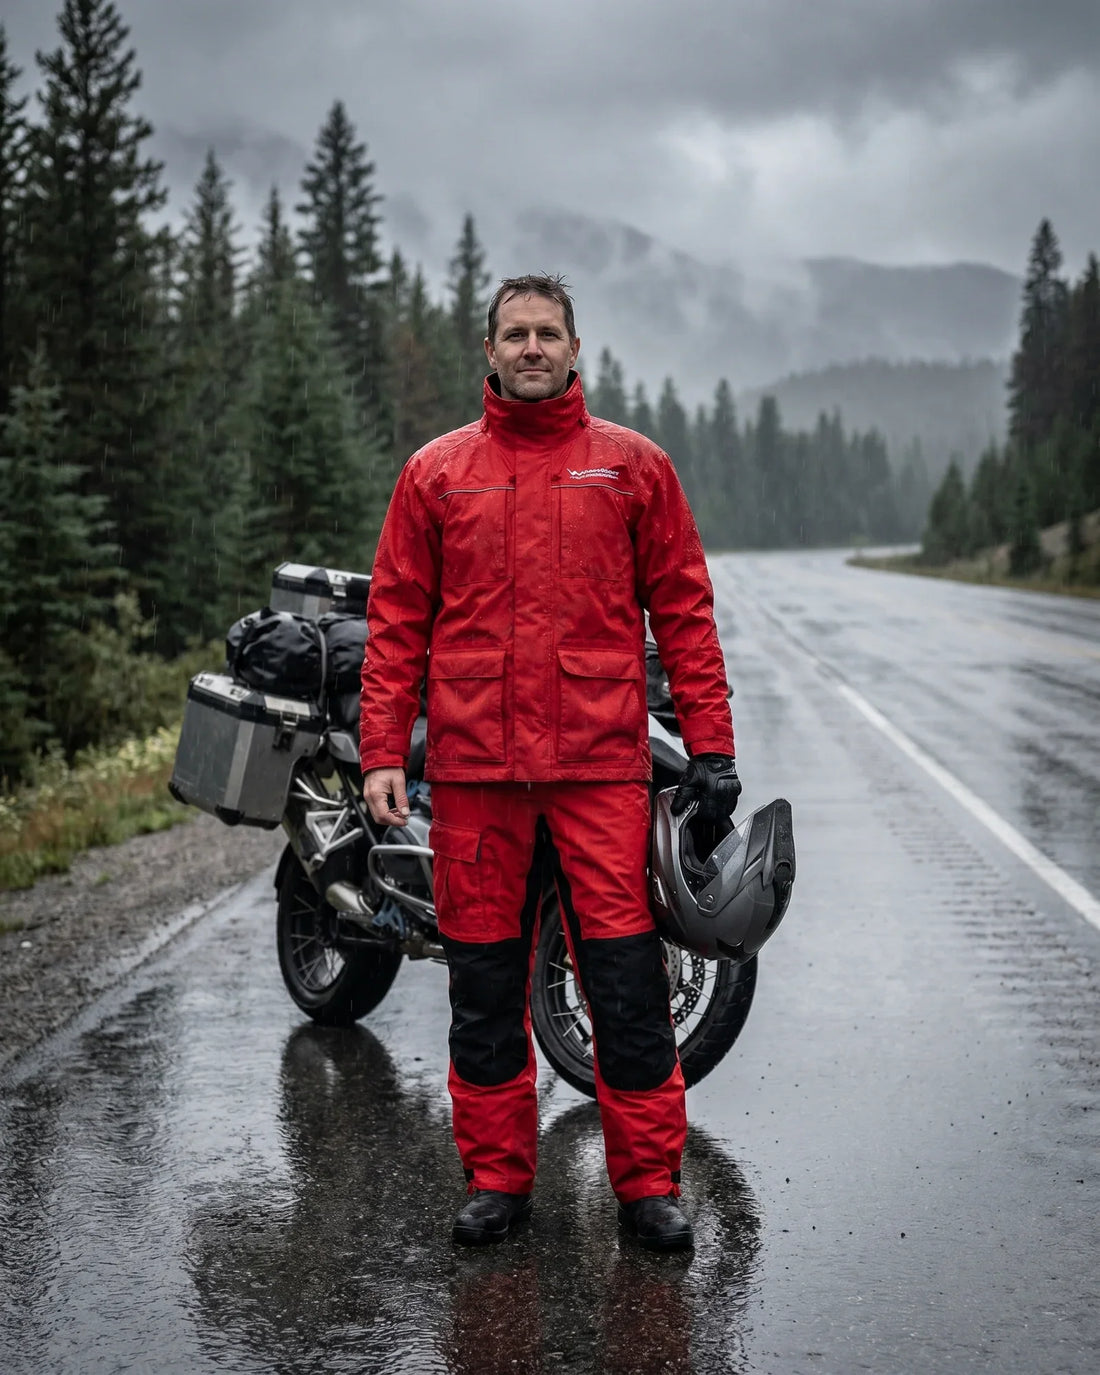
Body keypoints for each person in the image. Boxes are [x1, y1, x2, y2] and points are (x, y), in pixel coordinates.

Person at [359, 273, 740, 1251]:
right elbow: (396, 623)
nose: (530, 347)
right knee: (482, 986)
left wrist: (710, 750)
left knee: (624, 987)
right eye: (513, 334)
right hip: (477, 781)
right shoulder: (436, 474)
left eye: (547, 333)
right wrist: (379, 754)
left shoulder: (632, 469)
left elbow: (685, 614)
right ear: (486, 353)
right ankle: (496, 1180)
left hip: (598, 776)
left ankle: (648, 1186)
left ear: (576, 350)